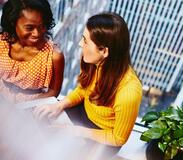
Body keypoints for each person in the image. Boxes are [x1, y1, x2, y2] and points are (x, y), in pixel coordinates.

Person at [34, 12, 142, 158]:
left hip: (105, 135)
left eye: (85, 41)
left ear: (104, 51)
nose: (80, 44)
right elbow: (82, 90)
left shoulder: (129, 92)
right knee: (41, 124)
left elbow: (118, 138)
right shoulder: (94, 62)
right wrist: (59, 105)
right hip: (84, 113)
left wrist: (78, 131)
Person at [0, 0, 64, 102]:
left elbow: (53, 92)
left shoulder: (54, 56)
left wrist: (24, 107)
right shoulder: (2, 42)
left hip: (31, 107)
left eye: (42, 26)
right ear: (13, 23)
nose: (37, 34)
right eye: (29, 28)